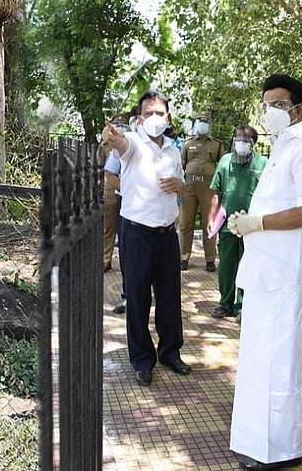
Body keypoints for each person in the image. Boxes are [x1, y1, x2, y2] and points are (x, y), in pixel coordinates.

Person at [228, 74, 302, 470]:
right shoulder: (279, 151)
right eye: (266, 103)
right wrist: (248, 222)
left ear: (298, 110)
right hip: (264, 273)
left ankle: (282, 450)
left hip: (286, 275)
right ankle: (261, 440)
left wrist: (259, 223)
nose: (270, 111)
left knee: (279, 362)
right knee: (257, 359)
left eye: (278, 104)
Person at [101, 90, 190, 387]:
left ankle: (170, 352)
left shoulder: (173, 150)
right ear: (139, 118)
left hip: (167, 234)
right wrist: (113, 138)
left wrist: (179, 185)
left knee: (169, 297)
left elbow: (183, 188)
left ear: (168, 117)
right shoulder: (134, 144)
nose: (155, 118)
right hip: (137, 232)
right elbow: (121, 145)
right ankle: (142, 359)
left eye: (160, 113)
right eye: (149, 113)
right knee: (137, 298)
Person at [207, 126, 267, 322]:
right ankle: (225, 303)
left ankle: (243, 306)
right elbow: (216, 192)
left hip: (252, 226)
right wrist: (210, 217)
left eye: (246, 139)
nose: (241, 142)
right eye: (238, 138)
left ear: (253, 142)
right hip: (227, 225)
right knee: (226, 265)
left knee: (248, 265)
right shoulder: (225, 161)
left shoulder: (262, 163)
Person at [179, 111, 224, 271]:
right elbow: (181, 165)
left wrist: (220, 188)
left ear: (210, 124)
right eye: (200, 120)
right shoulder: (187, 143)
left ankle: (210, 259)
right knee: (185, 223)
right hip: (189, 185)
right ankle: (183, 257)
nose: (202, 123)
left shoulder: (217, 144)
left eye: (205, 121)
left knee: (209, 224)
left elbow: (222, 165)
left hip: (209, 187)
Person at [99, 113, 130, 272]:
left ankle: (127, 260)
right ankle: (106, 258)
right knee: (108, 226)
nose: (120, 127)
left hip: (129, 189)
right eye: (118, 124)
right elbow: (99, 168)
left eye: (123, 124)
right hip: (109, 189)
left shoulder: (131, 141)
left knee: (126, 227)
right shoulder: (104, 146)